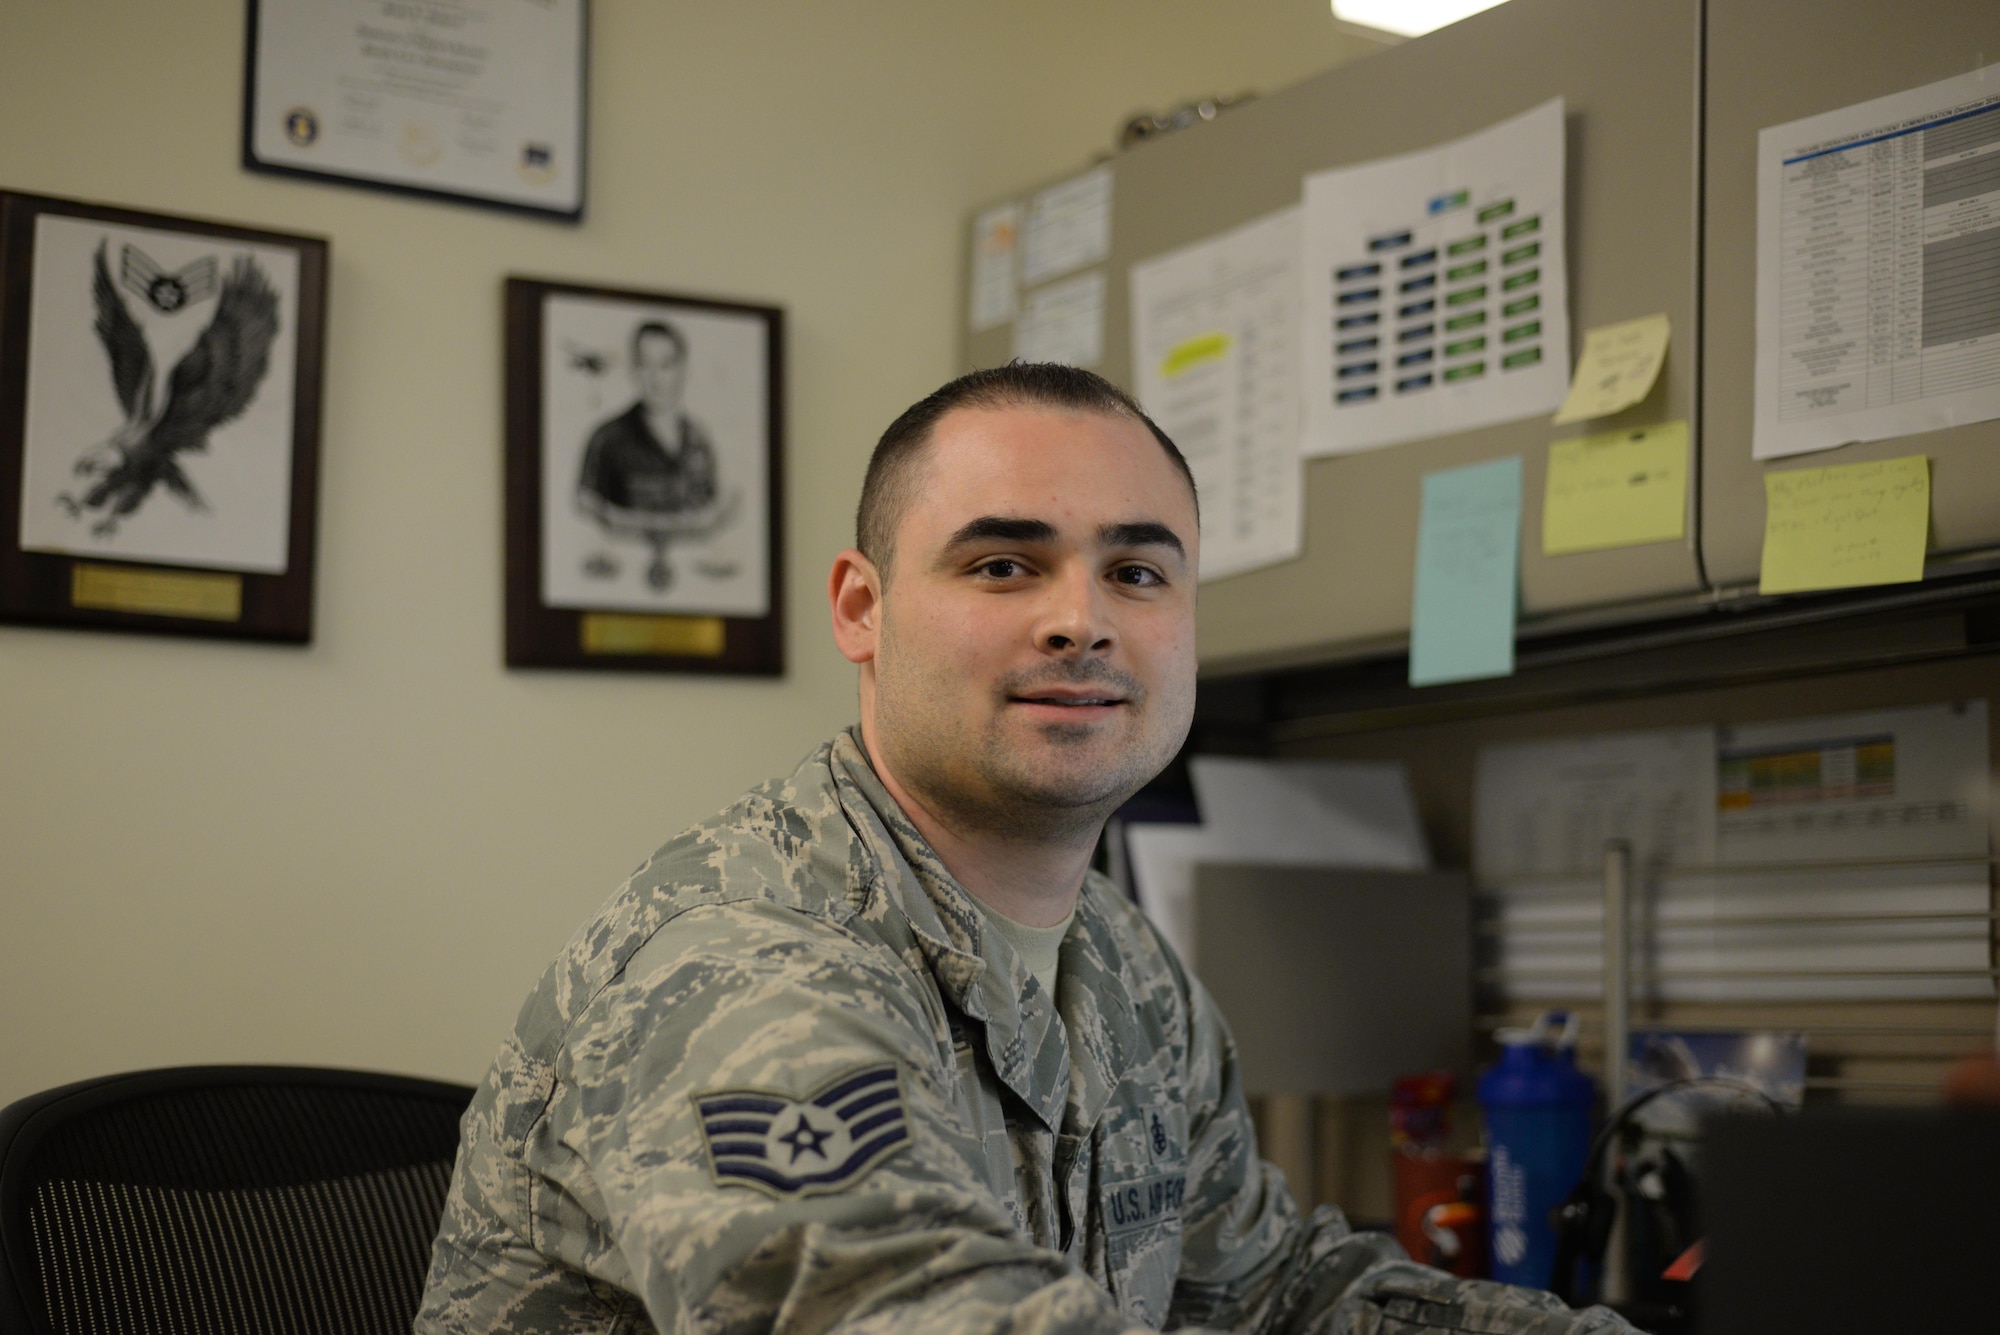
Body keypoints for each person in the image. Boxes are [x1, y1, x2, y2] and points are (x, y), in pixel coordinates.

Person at [417, 364, 1631, 1334]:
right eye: (1003, 565)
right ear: (861, 608)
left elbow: (1262, 1291)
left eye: (1136, 572)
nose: (1080, 620)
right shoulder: (745, 965)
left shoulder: (1125, 968)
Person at [576, 320, 718, 528]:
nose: (655, 377)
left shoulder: (699, 441)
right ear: (634, 370)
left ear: (684, 369)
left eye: (666, 364)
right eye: (645, 364)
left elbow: (710, 512)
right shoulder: (607, 439)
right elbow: (587, 508)